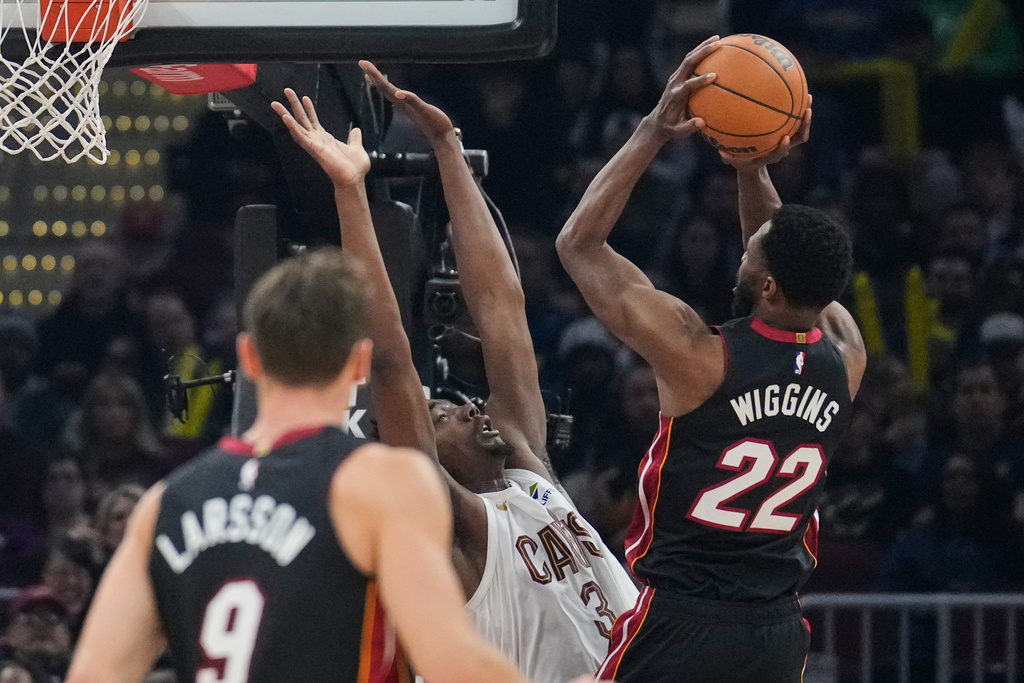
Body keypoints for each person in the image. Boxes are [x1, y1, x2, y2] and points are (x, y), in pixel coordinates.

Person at [273, 68, 637, 683]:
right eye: (441, 414)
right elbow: (390, 360)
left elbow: (502, 308)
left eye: (460, 403)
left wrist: (449, 152)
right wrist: (349, 192)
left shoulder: (529, 473)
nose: (469, 407)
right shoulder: (450, 524)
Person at [64, 249, 553, 683]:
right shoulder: (379, 483)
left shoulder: (163, 504)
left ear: (249, 357)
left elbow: (91, 673)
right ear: (359, 364)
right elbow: (452, 662)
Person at [556, 35, 867, 683]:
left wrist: (652, 130)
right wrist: (752, 163)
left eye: (751, 252)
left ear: (769, 284)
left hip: (682, 622)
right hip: (776, 631)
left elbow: (579, 246)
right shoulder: (847, 356)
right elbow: (783, 246)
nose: (742, 249)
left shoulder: (701, 357)